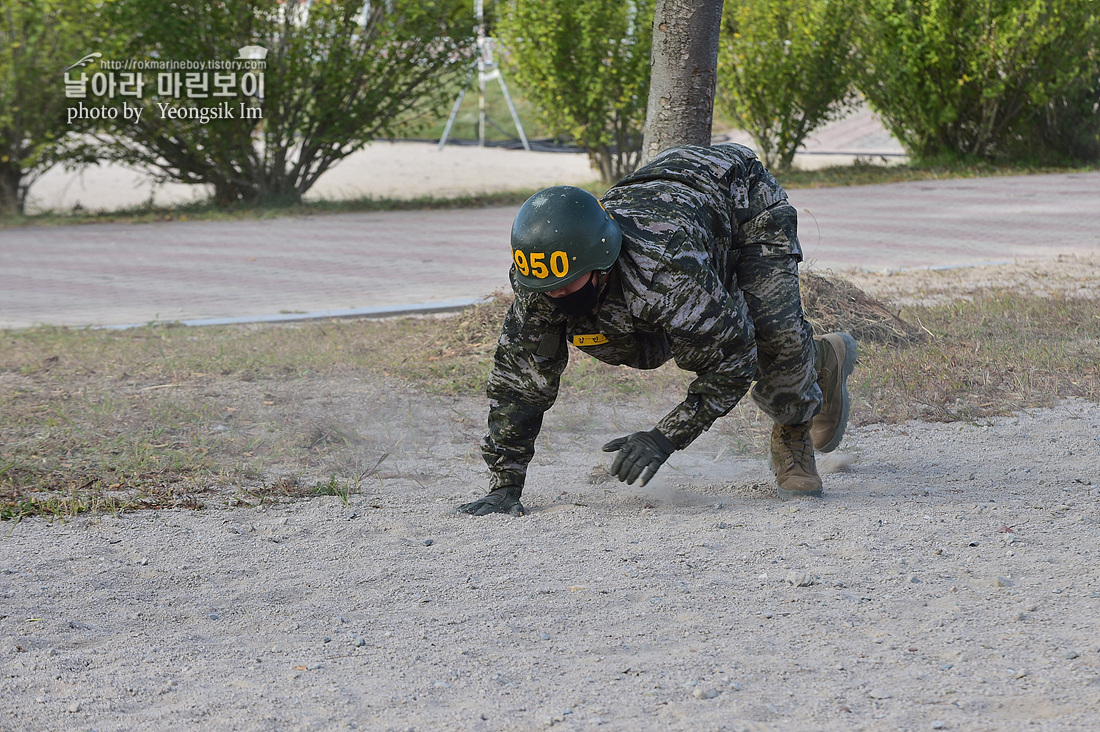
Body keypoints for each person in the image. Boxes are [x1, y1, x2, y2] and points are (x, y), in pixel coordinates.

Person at [458, 143, 857, 517]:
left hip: (744, 204)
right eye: (547, 286)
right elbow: (519, 384)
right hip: (675, 207)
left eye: (568, 282)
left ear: (601, 264)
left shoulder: (664, 270)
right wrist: (505, 483)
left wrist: (663, 437)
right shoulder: (542, 282)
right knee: (641, 343)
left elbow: (733, 359)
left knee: (772, 331)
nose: (556, 294)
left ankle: (793, 429)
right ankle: (821, 357)